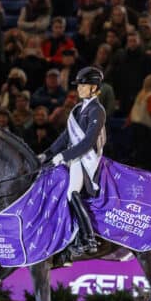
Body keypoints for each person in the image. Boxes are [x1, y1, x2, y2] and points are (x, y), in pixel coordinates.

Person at [40, 67, 106, 255]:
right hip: (74, 158)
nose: (79, 88)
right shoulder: (78, 109)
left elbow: (87, 142)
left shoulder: (97, 110)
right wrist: (47, 154)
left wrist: (64, 156)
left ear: (94, 87)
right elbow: (65, 137)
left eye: (83, 85)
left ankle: (88, 239)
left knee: (71, 193)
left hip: (86, 159)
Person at [127, 74, 151, 171]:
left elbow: (133, 110)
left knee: (138, 150)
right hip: (144, 127)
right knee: (147, 151)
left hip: (135, 124)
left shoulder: (141, 93)